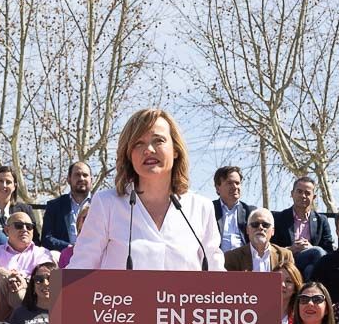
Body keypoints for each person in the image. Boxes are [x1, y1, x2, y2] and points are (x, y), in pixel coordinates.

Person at [68, 108, 224, 271]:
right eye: (138, 143)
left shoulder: (202, 208)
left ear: (176, 150)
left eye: (158, 140)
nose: (148, 149)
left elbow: (217, 275)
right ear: (129, 154)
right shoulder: (106, 204)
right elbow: (79, 268)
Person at [0, 210, 59, 321]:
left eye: (29, 227)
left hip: (30, 297)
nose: (25, 230)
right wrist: (3, 274)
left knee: (16, 287)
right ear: (7, 230)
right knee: (10, 282)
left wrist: (24, 281)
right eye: (19, 226)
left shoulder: (42, 253)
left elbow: (45, 276)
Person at [271, 176, 335, 280]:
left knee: (311, 266)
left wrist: (310, 248)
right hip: (287, 261)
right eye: (299, 192)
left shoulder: (321, 220)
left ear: (313, 197)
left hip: (311, 263)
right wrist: (290, 249)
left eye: (307, 193)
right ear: (292, 194)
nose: (303, 196)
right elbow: (271, 247)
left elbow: (328, 250)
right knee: (317, 252)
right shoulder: (278, 218)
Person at [40, 161, 93, 251]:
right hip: (63, 257)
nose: (81, 178)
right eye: (77, 175)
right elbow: (46, 239)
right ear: (68, 179)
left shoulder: (101, 205)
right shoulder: (54, 206)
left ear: (91, 179)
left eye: (85, 175)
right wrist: (70, 248)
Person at [224, 208, 293, 272]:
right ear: (247, 230)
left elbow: (293, 282)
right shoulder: (232, 257)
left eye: (265, 225)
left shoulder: (285, 256)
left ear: (273, 231)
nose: (260, 228)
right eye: (255, 224)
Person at [212, 166, 255, 253]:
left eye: (237, 183)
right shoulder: (210, 209)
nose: (235, 187)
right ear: (217, 188)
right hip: (216, 260)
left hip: (243, 262)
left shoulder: (250, 212)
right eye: (229, 183)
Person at [58, 201, 93, 268]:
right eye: (85, 218)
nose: (88, 222)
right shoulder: (66, 253)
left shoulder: (108, 253)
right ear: (78, 222)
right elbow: (60, 278)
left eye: (92, 219)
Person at [277, 260, 304, 324]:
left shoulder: (301, 317)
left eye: (288, 281)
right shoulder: (255, 311)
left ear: (295, 288)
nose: (282, 284)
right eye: (277, 279)